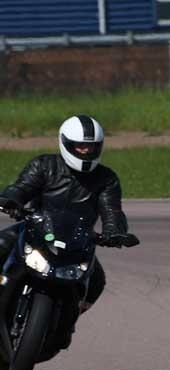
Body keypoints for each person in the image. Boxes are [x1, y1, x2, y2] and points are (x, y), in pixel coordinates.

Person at [0, 115, 130, 346]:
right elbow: (22, 188)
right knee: (1, 243)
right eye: (80, 146)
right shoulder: (44, 165)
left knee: (96, 281)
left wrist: (115, 232)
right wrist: (10, 200)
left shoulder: (106, 179)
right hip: (35, 227)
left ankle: (64, 324)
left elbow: (112, 211)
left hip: (77, 240)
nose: (85, 151)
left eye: (91, 147)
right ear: (66, 143)